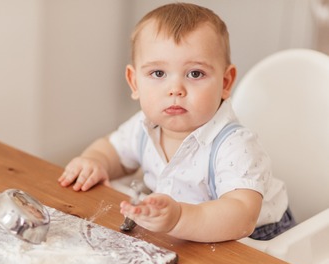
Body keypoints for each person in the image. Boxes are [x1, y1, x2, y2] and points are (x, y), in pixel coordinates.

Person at [58, 2, 294, 242]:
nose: (175, 89)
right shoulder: (144, 125)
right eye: (158, 74)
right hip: (184, 232)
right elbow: (113, 152)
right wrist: (94, 162)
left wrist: (180, 218)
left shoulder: (234, 145)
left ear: (225, 82)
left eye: (195, 74)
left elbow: (241, 216)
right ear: (134, 82)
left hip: (255, 241)